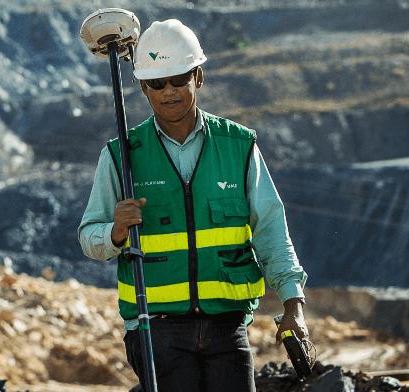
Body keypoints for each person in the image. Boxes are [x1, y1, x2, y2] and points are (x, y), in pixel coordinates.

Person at [77, 19, 311, 391]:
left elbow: (270, 229)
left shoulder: (238, 145)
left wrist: (293, 304)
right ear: (143, 87)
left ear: (197, 77)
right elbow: (89, 237)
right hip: (156, 329)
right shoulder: (121, 155)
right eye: (157, 83)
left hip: (227, 326)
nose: (169, 92)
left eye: (178, 80)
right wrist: (115, 232)